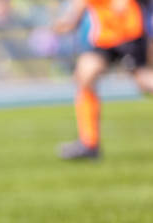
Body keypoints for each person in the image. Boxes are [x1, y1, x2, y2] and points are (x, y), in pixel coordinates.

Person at [54, 0, 153, 159]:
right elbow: (79, 8)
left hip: (129, 34)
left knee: (144, 80)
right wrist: (68, 22)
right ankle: (89, 143)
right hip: (104, 39)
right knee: (84, 75)